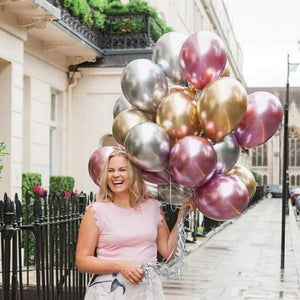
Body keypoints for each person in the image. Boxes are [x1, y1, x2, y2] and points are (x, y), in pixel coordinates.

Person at [76, 149, 196, 299]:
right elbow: (82, 260)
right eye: (110, 170)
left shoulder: (153, 207)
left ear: (133, 174)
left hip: (147, 290)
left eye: (122, 169)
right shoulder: (96, 211)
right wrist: (120, 266)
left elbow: (168, 252)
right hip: (110, 292)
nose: (115, 175)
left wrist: (180, 217)